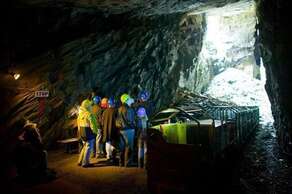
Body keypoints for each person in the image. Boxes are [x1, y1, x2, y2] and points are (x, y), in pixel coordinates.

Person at [77, 99, 97, 167]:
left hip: (82, 132)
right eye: (90, 105)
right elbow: (93, 125)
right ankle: (85, 163)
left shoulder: (80, 114)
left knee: (84, 146)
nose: (91, 106)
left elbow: (78, 124)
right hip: (88, 132)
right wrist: (95, 132)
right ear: (88, 106)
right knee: (88, 147)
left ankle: (80, 161)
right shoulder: (89, 114)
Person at [117, 94, 136, 167]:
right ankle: (128, 163)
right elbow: (130, 120)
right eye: (129, 98)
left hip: (121, 130)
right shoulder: (129, 109)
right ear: (126, 100)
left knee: (122, 147)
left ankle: (121, 163)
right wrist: (134, 127)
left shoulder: (119, 108)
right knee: (129, 147)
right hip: (129, 130)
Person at [101, 97, 119, 163]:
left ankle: (109, 156)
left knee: (107, 142)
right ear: (113, 104)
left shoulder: (105, 112)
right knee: (113, 143)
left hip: (106, 130)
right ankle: (113, 156)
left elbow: (102, 122)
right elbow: (118, 121)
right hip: (114, 129)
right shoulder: (115, 111)